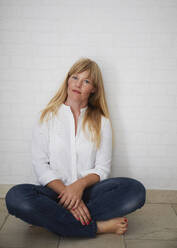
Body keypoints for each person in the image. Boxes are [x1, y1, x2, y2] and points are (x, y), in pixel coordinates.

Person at [5, 58, 146, 238]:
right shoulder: (47, 117)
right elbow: (41, 166)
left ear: (93, 88)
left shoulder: (102, 121)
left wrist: (79, 186)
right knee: (16, 197)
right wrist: (67, 193)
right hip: (54, 192)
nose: (78, 84)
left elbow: (102, 168)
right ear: (67, 80)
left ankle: (53, 220)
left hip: (89, 192)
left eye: (86, 81)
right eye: (75, 77)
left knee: (135, 190)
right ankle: (97, 227)